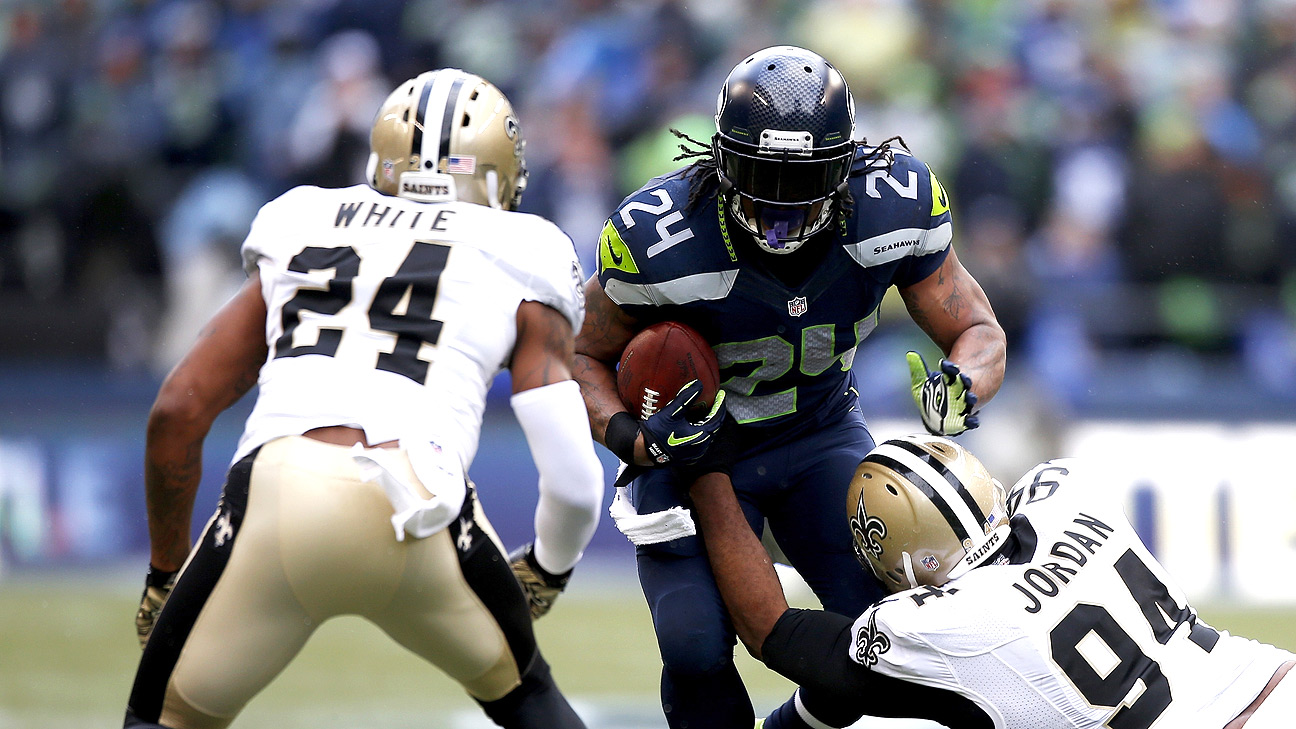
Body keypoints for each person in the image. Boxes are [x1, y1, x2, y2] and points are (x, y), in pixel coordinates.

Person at [124, 69, 605, 729]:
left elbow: (178, 409)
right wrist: (548, 570)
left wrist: (164, 573)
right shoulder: (527, 249)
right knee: (530, 698)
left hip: (279, 487)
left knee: (162, 718)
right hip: (419, 495)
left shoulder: (303, 217)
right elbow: (576, 483)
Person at [572, 45, 1007, 728]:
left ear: (845, 162)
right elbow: (582, 355)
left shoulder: (893, 208)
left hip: (817, 432)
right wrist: (633, 436)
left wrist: (966, 382)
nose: (778, 200)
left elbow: (978, 327)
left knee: (876, 637)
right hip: (692, 452)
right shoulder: (663, 238)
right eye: (758, 173)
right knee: (693, 644)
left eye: (802, 176)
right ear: (718, 157)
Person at [688, 434, 1296, 729]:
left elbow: (774, 631)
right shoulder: (1067, 492)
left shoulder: (938, 624)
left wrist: (705, 469)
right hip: (1274, 682)